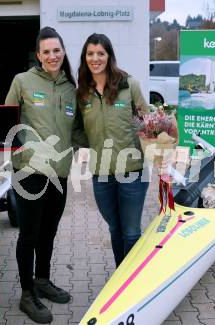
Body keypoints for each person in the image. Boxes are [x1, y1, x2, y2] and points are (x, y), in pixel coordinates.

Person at [0, 27, 83, 324]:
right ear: (38, 55)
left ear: (63, 52)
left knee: (49, 232)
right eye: (46, 51)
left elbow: (77, 132)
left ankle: (43, 281)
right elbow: (3, 119)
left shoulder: (70, 89)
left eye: (56, 50)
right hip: (28, 172)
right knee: (29, 234)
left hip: (59, 173)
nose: (52, 56)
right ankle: (26, 294)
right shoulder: (22, 81)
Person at [76, 33, 149, 267]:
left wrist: (162, 143)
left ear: (109, 56)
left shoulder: (129, 85)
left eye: (100, 53)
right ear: (85, 57)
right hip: (101, 173)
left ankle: (133, 283)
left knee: (130, 232)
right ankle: (121, 277)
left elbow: (148, 123)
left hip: (132, 172)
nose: (95, 58)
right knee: (115, 229)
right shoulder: (83, 93)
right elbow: (77, 130)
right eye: (90, 53)